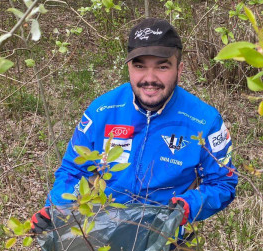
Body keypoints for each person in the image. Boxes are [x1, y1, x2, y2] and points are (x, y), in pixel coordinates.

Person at [31, 17, 237, 236]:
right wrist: (56, 209)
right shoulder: (102, 110)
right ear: (128, 67)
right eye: (140, 66)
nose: (150, 79)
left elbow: (222, 184)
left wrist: (188, 206)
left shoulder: (205, 121)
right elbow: (74, 170)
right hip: (100, 231)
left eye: (162, 66)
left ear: (180, 69)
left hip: (165, 237)